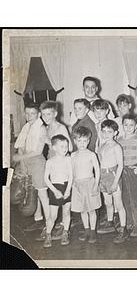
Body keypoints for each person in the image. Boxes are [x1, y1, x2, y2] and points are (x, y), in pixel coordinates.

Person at [13, 103, 50, 241]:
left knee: (42, 195)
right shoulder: (26, 126)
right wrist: (22, 162)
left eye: (32, 113)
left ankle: (49, 226)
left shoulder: (41, 128)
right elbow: (20, 145)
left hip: (37, 163)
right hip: (27, 162)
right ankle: (39, 220)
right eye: (27, 113)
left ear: (38, 114)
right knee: (31, 192)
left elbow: (38, 151)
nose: (29, 116)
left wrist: (20, 157)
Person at [40, 100, 73, 240]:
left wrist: (49, 142)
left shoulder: (61, 127)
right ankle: (53, 227)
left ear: (55, 113)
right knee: (54, 199)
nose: (46, 117)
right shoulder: (47, 127)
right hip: (52, 163)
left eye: (49, 114)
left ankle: (63, 228)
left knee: (65, 205)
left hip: (62, 166)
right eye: (43, 115)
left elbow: (69, 148)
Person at [96, 120, 128, 244]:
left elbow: (120, 165)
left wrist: (115, 182)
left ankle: (123, 229)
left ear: (115, 132)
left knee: (118, 204)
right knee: (108, 203)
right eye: (104, 131)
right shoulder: (102, 146)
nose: (106, 134)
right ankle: (110, 222)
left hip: (113, 174)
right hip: (103, 175)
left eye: (109, 132)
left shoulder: (116, 146)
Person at [71, 126, 101, 244]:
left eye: (85, 141)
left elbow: (97, 171)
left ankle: (93, 231)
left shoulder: (91, 154)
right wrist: (73, 184)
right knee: (82, 210)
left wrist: (95, 185)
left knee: (91, 209)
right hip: (77, 184)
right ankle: (86, 229)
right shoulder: (73, 155)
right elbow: (72, 171)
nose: (82, 143)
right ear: (75, 141)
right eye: (79, 141)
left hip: (90, 183)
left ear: (88, 141)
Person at [43, 135, 73, 248]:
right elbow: (46, 178)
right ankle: (48, 234)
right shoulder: (50, 161)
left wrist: (68, 190)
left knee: (66, 213)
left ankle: (65, 233)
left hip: (66, 187)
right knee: (53, 216)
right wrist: (55, 191)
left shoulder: (68, 159)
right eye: (62, 146)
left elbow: (71, 176)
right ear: (54, 147)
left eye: (66, 146)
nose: (65, 148)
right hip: (55, 188)